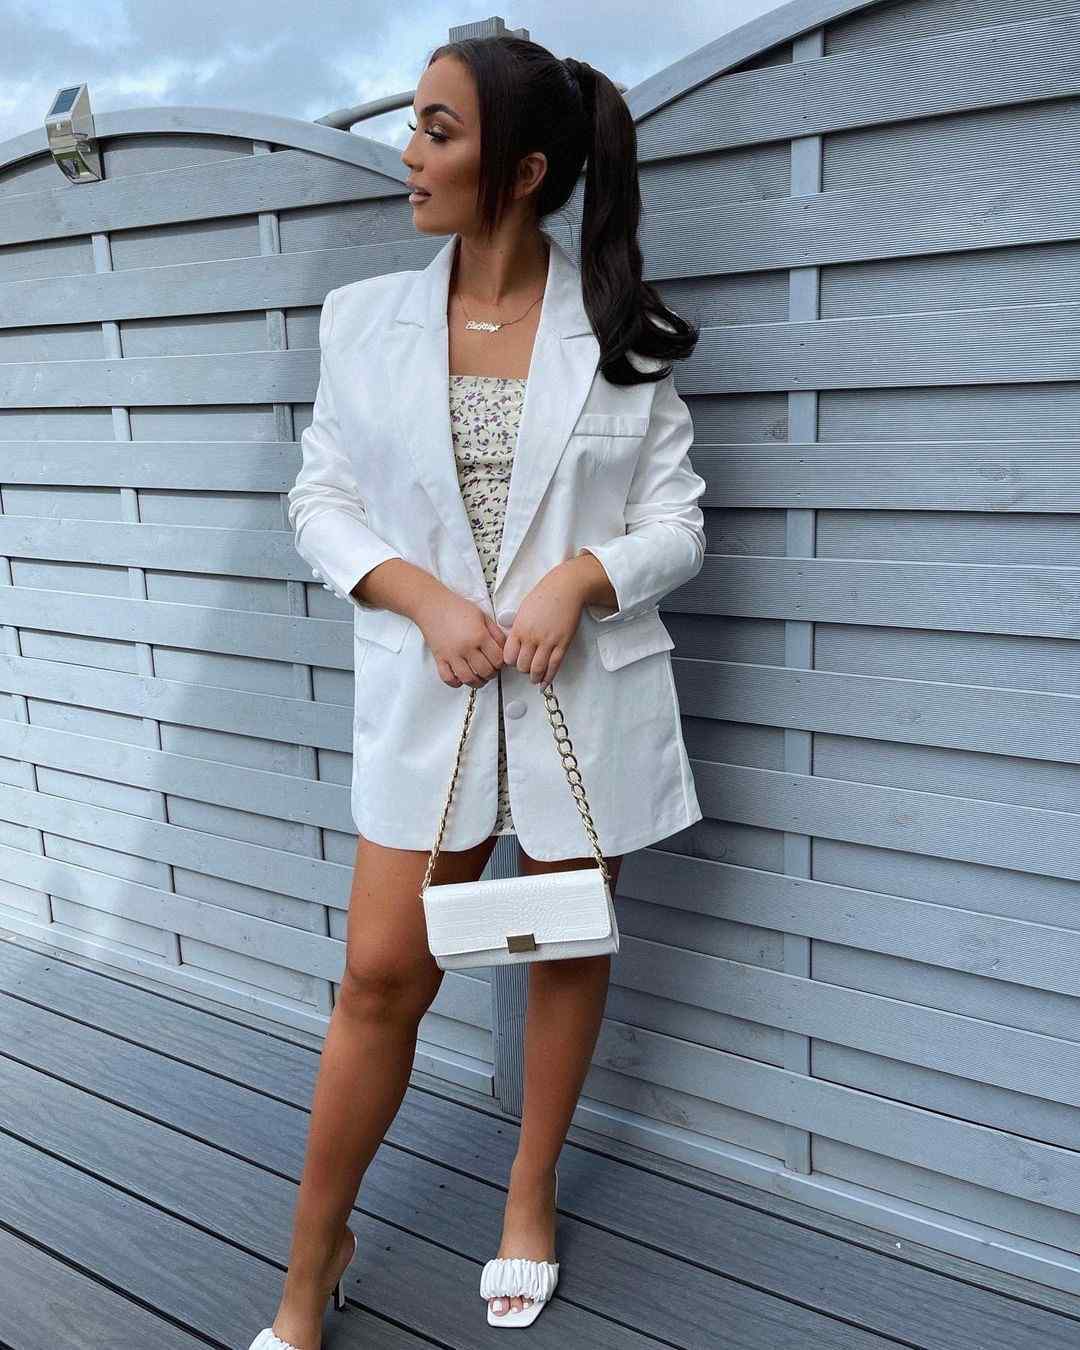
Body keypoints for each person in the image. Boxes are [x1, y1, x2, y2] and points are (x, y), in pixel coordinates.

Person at [248, 30, 705, 1350]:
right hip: (431, 701)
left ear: (524, 170)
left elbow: (678, 519)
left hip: (579, 699)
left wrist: (586, 578)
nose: (409, 154)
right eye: (417, 125)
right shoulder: (364, 321)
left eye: (438, 130)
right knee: (379, 975)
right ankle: (309, 1263)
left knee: (561, 944)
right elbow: (320, 497)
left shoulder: (617, 328)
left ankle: (528, 1191)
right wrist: (418, 593)